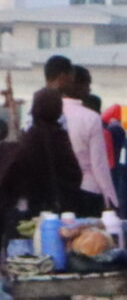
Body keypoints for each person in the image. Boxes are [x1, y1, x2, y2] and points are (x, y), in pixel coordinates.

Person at [1, 88, 103, 216]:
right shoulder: (60, 137)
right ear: (57, 109)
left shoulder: (30, 137)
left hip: (30, 207)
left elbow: (13, 174)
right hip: (61, 207)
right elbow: (74, 173)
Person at [44, 60, 115, 208]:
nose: (89, 90)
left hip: (53, 190)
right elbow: (99, 165)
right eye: (87, 84)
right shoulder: (91, 118)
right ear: (73, 84)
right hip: (88, 190)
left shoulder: (43, 113)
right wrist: (111, 198)